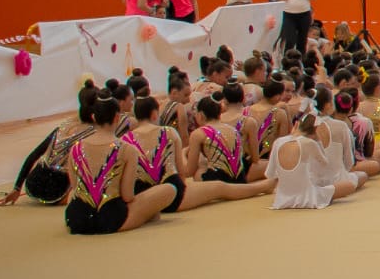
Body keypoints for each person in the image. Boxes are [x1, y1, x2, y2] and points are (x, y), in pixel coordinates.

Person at [124, 94, 272, 213]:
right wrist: (182, 153)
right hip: (174, 195)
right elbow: (183, 174)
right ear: (155, 114)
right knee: (219, 187)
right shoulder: (168, 132)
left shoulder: (126, 139)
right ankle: (261, 187)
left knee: (207, 174)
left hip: (142, 196)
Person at [62, 92, 179, 234]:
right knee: (168, 189)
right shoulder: (126, 149)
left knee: (71, 196)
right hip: (111, 218)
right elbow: (127, 195)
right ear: (117, 117)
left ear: (93, 117)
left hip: (77, 219)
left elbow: (75, 188)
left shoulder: (75, 148)